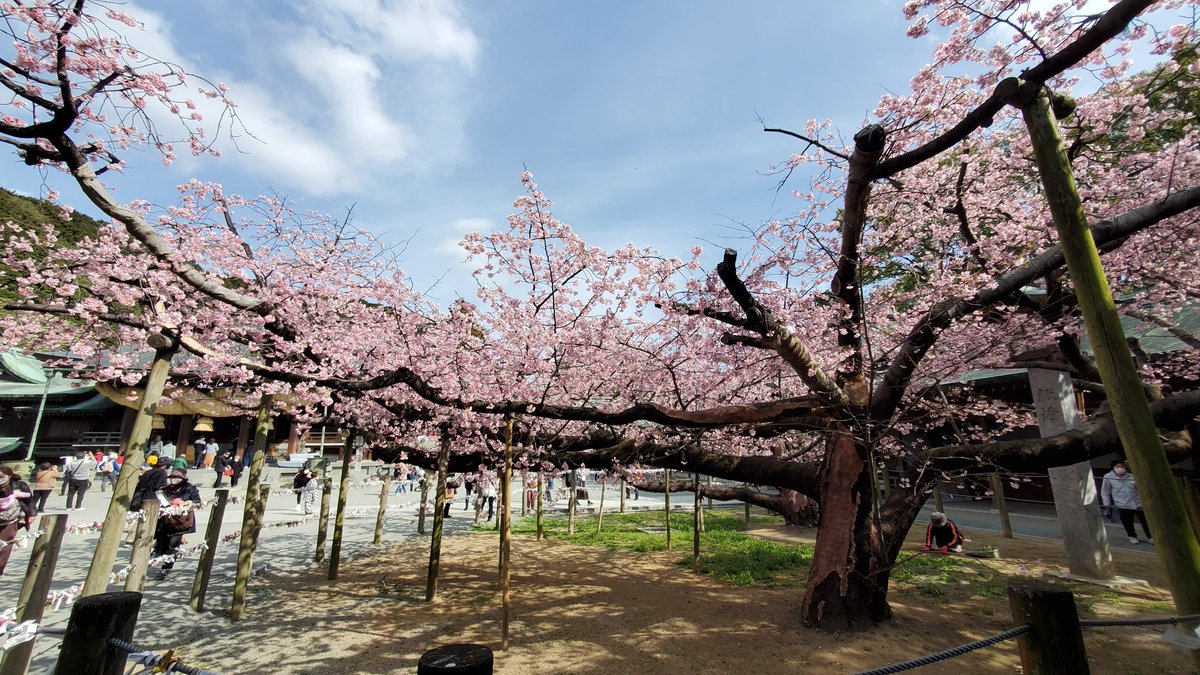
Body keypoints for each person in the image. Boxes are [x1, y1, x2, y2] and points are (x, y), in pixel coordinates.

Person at [153, 468, 201, 580]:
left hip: (180, 522)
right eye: (171, 478)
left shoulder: (189, 488)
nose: (173, 480)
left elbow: (197, 502)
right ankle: (159, 559)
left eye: (176, 478)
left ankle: (166, 568)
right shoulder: (164, 489)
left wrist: (184, 503)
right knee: (162, 543)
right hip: (165, 521)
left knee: (173, 545)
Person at [1101, 459, 1152, 544]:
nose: (1120, 468)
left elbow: (1139, 489)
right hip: (1122, 503)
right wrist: (1107, 504)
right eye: (1118, 467)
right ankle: (1132, 536)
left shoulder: (1131, 476)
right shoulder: (1108, 477)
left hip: (1137, 502)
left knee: (1145, 520)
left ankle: (1150, 536)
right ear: (1113, 468)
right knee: (1127, 521)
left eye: (1122, 466)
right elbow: (1105, 491)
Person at [0, 474, 31, 575]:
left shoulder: (19, 486)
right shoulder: (14, 492)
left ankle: (0, 568)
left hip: (9, 522)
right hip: (8, 520)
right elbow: (28, 496)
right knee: (5, 545)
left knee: (6, 545)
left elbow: (29, 500)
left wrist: (32, 514)